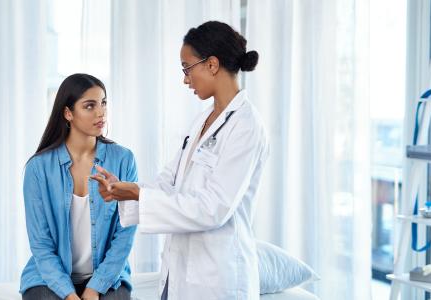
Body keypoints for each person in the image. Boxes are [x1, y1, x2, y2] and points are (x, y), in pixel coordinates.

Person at [93, 21, 269, 299]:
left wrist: (139, 194)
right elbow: (170, 180)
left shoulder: (246, 125)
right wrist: (126, 191)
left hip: (216, 279)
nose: (185, 79)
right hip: (179, 273)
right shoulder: (203, 120)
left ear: (212, 64)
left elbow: (213, 208)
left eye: (187, 68)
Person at [20, 74, 137, 300]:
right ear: (68, 113)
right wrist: (70, 295)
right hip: (48, 278)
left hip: (107, 276)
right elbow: (41, 245)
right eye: (90, 106)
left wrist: (95, 289)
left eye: (103, 103)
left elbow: (125, 235)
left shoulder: (123, 160)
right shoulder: (38, 168)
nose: (101, 112)